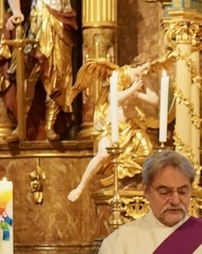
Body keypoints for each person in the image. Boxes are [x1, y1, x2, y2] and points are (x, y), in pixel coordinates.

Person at [67, 59, 156, 202]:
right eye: (144, 68)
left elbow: (154, 100)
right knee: (103, 154)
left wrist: (138, 94)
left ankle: (136, 183)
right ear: (137, 65)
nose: (146, 72)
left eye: (148, 69)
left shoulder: (143, 78)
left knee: (148, 153)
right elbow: (114, 98)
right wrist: (133, 89)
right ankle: (80, 187)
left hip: (132, 125)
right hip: (112, 126)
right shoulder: (119, 75)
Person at [0, 0, 77, 141]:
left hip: (61, 22)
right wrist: (16, 11)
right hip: (39, 19)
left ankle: (50, 125)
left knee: (57, 75)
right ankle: (21, 125)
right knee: (29, 74)